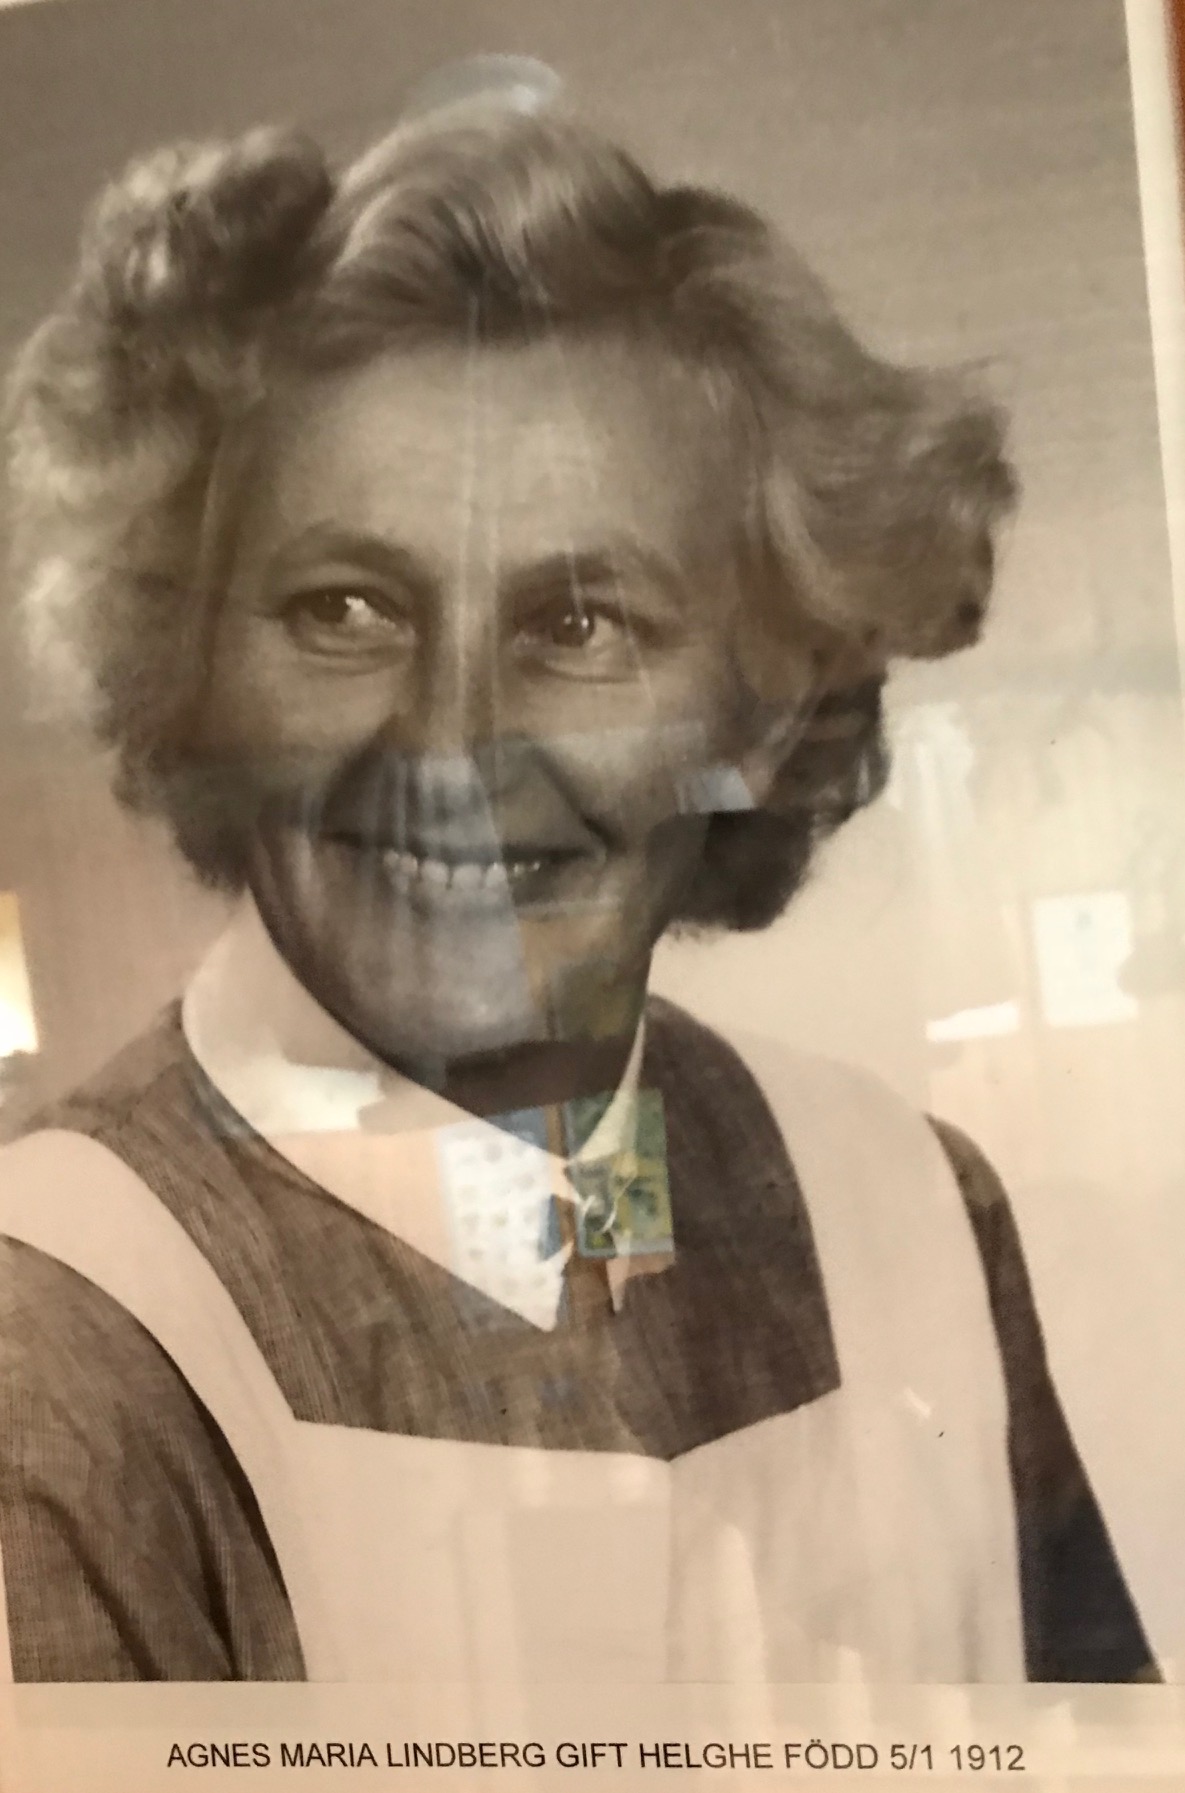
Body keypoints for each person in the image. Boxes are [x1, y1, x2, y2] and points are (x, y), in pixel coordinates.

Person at [0, 89, 1156, 1685]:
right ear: (192, 669)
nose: (449, 747)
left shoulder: (911, 1208)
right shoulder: (58, 1336)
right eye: (345, 608)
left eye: (581, 624)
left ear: (766, 707)